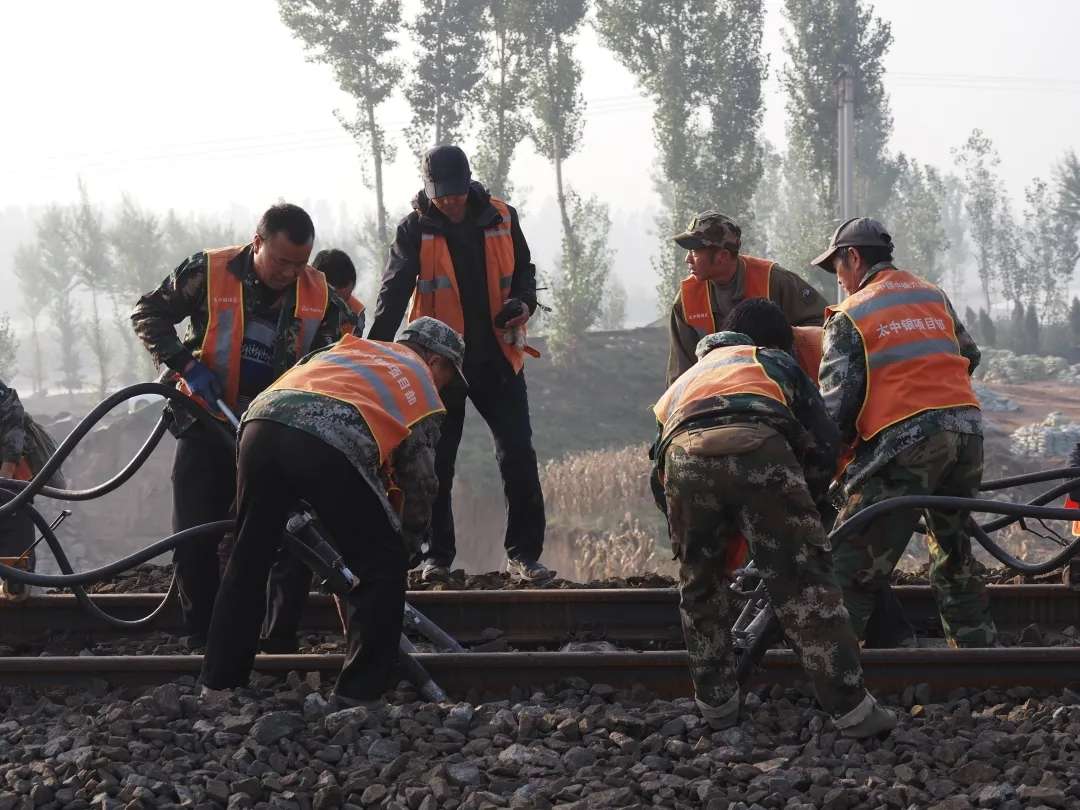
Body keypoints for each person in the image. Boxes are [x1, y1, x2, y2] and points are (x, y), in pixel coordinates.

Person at [649, 299, 894, 738]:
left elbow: (658, 471)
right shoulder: (769, 360)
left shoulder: (683, 381)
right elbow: (824, 438)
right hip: (759, 444)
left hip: (684, 458)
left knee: (700, 587)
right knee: (804, 587)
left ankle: (718, 708)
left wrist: (690, 532)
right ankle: (853, 712)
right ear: (771, 341)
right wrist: (811, 503)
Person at [200, 317, 462, 703]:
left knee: (250, 557)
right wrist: (404, 545)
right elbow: (421, 482)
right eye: (449, 377)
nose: (446, 387)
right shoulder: (420, 384)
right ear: (437, 362)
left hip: (260, 423)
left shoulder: (352, 348)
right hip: (324, 438)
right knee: (381, 566)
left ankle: (218, 685)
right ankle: (358, 695)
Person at [131, 203, 347, 643]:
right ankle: (204, 641)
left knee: (289, 535)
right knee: (195, 536)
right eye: (282, 261)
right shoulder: (210, 271)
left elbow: (337, 354)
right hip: (206, 422)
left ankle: (275, 640)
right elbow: (148, 313)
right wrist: (184, 365)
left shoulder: (320, 295)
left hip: (274, 433)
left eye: (300, 263)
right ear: (258, 241)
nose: (290, 273)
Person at [368, 144, 551, 584]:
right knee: (437, 464)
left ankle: (524, 555)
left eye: (455, 191)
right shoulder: (414, 229)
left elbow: (525, 272)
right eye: (440, 193)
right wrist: (373, 351)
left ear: (469, 182)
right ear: (428, 188)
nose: (449, 201)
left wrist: (523, 303)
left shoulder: (503, 217)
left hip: (498, 359)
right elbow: (393, 294)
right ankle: (437, 558)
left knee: (518, 456)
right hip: (440, 368)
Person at [813, 217, 997, 648]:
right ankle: (978, 657)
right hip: (967, 434)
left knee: (852, 560)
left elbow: (837, 409)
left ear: (853, 257)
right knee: (953, 552)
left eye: (837, 269)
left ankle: (832, 677)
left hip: (906, 441)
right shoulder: (931, 295)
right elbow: (968, 355)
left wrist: (826, 467)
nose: (838, 281)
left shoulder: (851, 315)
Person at [667, 211, 829, 385]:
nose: (687, 259)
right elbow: (681, 372)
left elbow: (824, 326)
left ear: (722, 256)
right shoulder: (686, 300)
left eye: (695, 251)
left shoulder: (773, 280)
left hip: (780, 391)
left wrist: (785, 348)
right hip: (719, 396)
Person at [313, 248, 366, 336]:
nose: (343, 305)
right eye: (337, 300)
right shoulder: (293, 299)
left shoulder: (356, 314)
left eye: (346, 298)